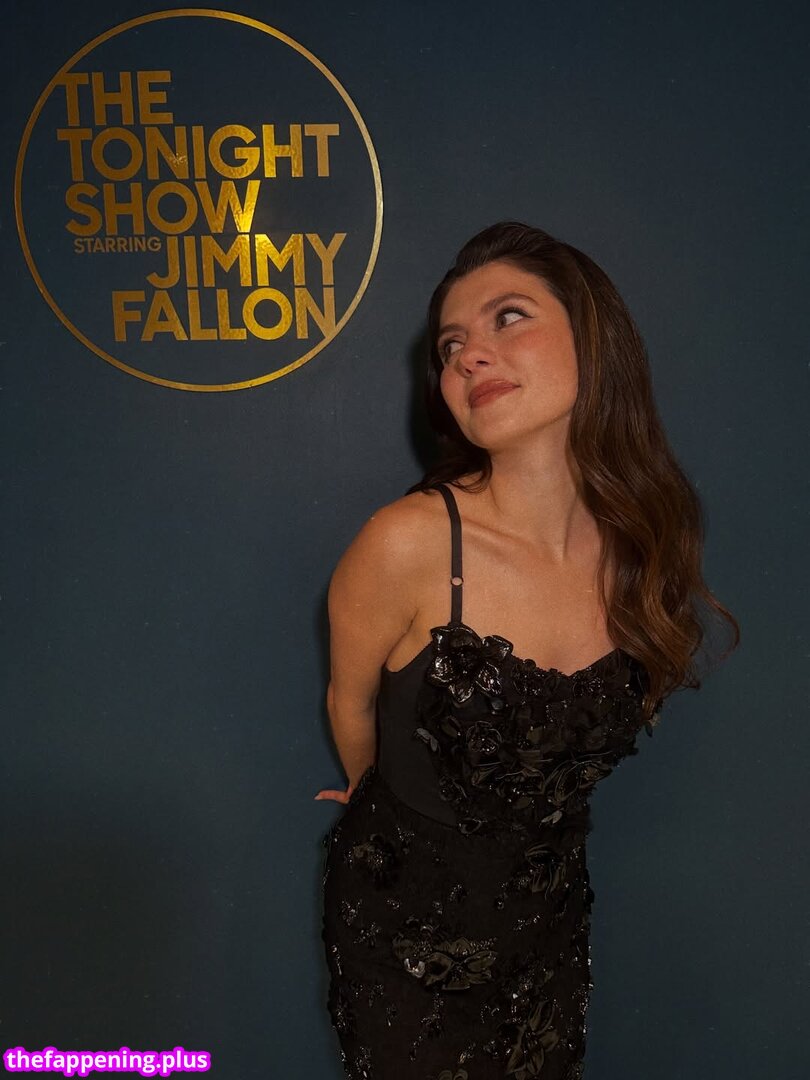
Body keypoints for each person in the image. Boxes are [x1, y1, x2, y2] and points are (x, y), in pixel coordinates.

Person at [314, 221, 739, 1080]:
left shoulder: (642, 543)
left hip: (548, 921)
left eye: (509, 317)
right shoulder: (405, 543)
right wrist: (374, 796)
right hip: (405, 936)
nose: (471, 355)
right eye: (451, 345)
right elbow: (349, 702)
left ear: (593, 338)